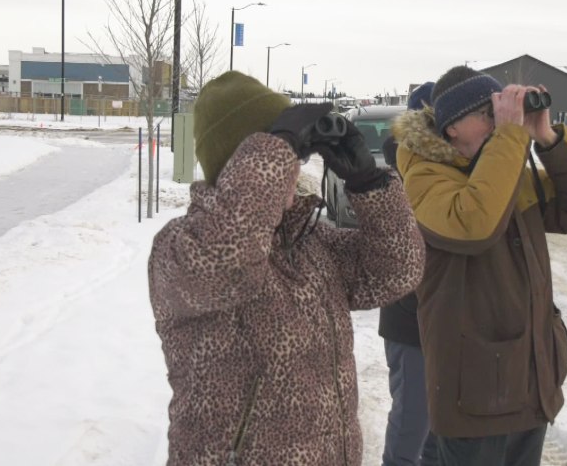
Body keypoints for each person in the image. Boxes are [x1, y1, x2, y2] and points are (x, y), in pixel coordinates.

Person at [148, 72, 426, 465]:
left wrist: (368, 183)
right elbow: (229, 257)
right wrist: (277, 146)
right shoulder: (179, 249)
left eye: (295, 156)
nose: (293, 169)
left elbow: (399, 269)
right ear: (243, 161)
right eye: (285, 155)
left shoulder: (310, 245)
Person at [392, 66, 567, 465]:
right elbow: (473, 225)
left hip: (529, 379)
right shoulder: (424, 176)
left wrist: (546, 137)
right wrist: (509, 137)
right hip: (475, 395)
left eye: (500, 112)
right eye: (487, 114)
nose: (499, 123)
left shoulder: (505, 170)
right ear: (451, 127)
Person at [379, 81, 439, 466]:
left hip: (445, 324)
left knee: (439, 430)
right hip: (409, 321)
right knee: (411, 424)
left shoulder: (452, 173)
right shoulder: (399, 177)